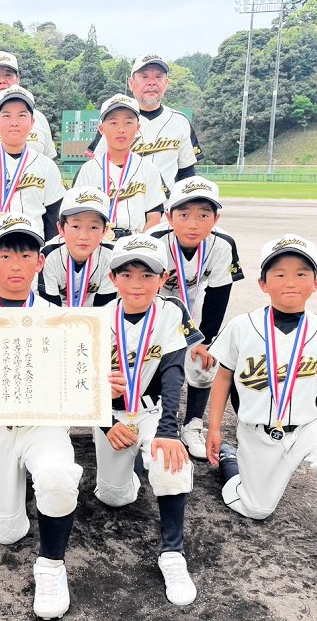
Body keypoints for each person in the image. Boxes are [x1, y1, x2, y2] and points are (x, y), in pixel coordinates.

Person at [206, 234, 317, 605]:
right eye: (278, 274)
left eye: (301, 273)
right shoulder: (242, 326)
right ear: (262, 284)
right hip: (257, 429)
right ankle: (232, 463)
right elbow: (223, 379)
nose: (290, 282)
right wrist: (214, 428)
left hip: (311, 426)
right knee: (256, 509)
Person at [0, 213, 83, 619]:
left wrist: (99, 385)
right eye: (5, 254)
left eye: (25, 254)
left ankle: (51, 564)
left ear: (40, 261)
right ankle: (13, 496)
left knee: (56, 476)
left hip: (43, 424)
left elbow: (79, 381)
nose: (15, 264)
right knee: (5, 532)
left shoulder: (62, 317)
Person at [96, 233, 203, 606]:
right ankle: (133, 471)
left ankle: (173, 553)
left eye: (147, 274)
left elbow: (175, 372)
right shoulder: (97, 316)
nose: (137, 283)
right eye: (127, 274)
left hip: (152, 410)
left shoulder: (172, 311)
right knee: (114, 497)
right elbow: (80, 381)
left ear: (163, 278)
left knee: (170, 463)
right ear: (113, 278)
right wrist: (104, 424)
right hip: (109, 415)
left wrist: (170, 431)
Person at [147, 177, 244, 459]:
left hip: (194, 299)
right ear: (169, 217)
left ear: (216, 218)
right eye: (184, 214)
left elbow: (219, 294)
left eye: (203, 215)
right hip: (157, 300)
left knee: (204, 361)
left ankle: (192, 424)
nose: (193, 223)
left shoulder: (222, 244)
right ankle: (156, 417)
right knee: (154, 356)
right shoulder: (154, 240)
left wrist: (206, 339)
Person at [86, 55, 203, 192]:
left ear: (166, 83)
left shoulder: (180, 122)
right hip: (122, 206)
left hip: (166, 210)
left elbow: (187, 172)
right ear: (131, 83)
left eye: (158, 77)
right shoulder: (111, 122)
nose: (152, 83)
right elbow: (95, 169)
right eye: (144, 77)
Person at [0, 85, 65, 245]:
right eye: (6, 115)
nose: (14, 122)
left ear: (33, 122)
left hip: (33, 249)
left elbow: (53, 219)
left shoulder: (47, 166)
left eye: (22, 115)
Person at [74, 94, 166, 236]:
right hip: (98, 242)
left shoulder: (149, 169)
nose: (121, 129)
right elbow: (78, 214)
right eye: (113, 122)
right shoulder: (89, 170)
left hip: (136, 240)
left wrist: (139, 245)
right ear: (101, 128)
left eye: (128, 122)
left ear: (138, 127)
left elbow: (154, 217)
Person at [38, 186, 115, 307]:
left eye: (93, 227)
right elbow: (49, 307)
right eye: (76, 226)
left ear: (104, 231)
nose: (84, 236)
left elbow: (104, 308)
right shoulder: (48, 254)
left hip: (97, 320)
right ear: (60, 228)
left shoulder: (111, 255)